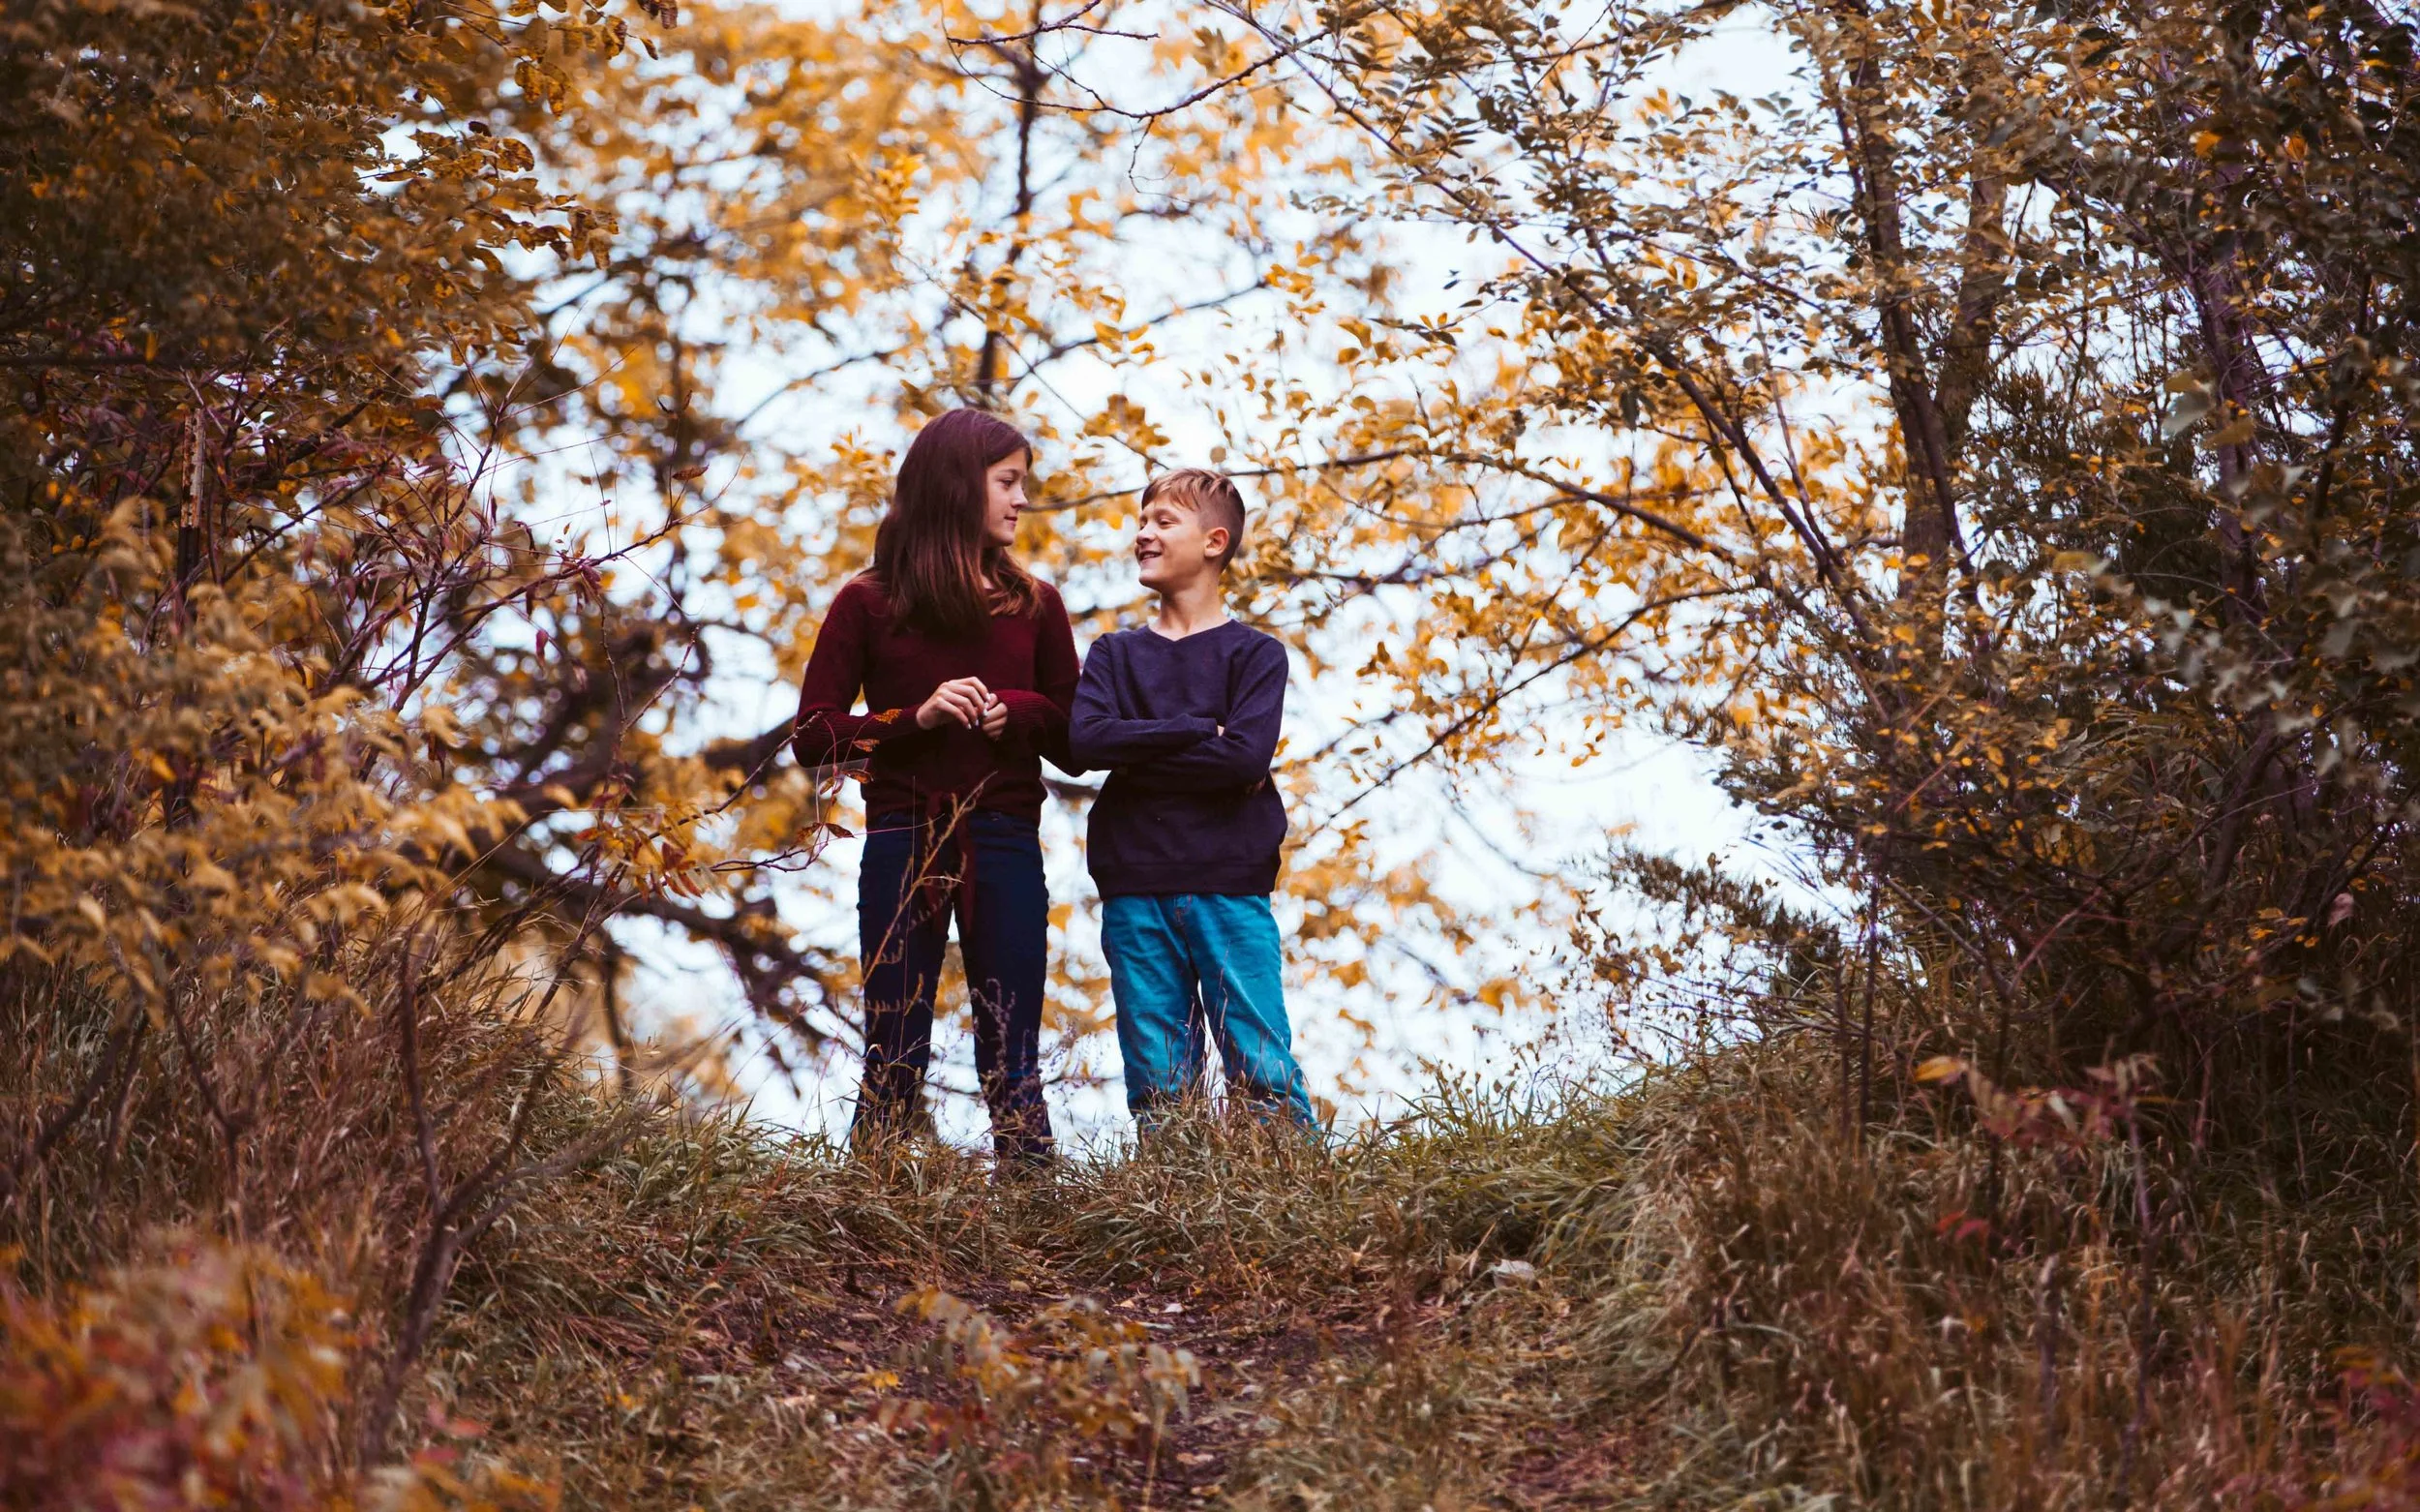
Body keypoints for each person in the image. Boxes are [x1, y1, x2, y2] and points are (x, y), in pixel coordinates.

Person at [792, 408, 1075, 1167]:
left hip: (1005, 840)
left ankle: (1037, 1218)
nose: (1021, 500)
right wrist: (910, 719)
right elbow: (812, 736)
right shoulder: (869, 600)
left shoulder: (1036, 604)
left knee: (1010, 1043)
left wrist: (1013, 713)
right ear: (958, 485)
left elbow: (1076, 738)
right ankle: (868, 1207)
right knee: (894, 1044)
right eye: (1008, 483)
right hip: (899, 838)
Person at [1068, 469, 1318, 1132]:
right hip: (1133, 884)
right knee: (1158, 1084)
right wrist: (1188, 731)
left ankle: (1298, 1201)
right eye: (1141, 520)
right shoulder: (1113, 654)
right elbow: (1088, 739)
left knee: (1261, 1068)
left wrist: (1137, 748)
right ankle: (1172, 1218)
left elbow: (1242, 758)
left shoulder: (1256, 655)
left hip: (1229, 886)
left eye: (1162, 521)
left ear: (1214, 541)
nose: (1143, 533)